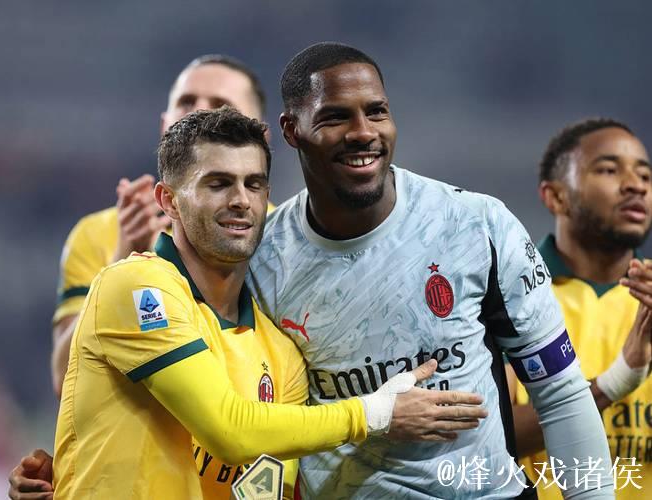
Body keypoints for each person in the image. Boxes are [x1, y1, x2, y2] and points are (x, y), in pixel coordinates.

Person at [11, 108, 488, 500]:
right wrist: (375, 414)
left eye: (254, 184)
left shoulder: (280, 353)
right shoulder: (136, 287)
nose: (241, 200)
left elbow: (268, 477)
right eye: (218, 183)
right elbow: (230, 432)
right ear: (168, 201)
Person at [242, 42, 614, 498]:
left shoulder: (478, 226)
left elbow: (560, 392)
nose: (363, 132)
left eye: (376, 112)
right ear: (291, 130)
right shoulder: (262, 260)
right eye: (335, 117)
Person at [51, 54, 270, 398]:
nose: (198, 112)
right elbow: (66, 381)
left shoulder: (283, 236)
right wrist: (125, 261)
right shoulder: (98, 234)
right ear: (165, 124)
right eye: (186, 102)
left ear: (260, 135)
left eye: (220, 105)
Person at [508, 118, 652, 499]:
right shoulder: (509, 297)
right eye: (608, 170)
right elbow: (493, 437)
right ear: (556, 197)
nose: (636, 185)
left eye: (645, 175)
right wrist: (618, 379)